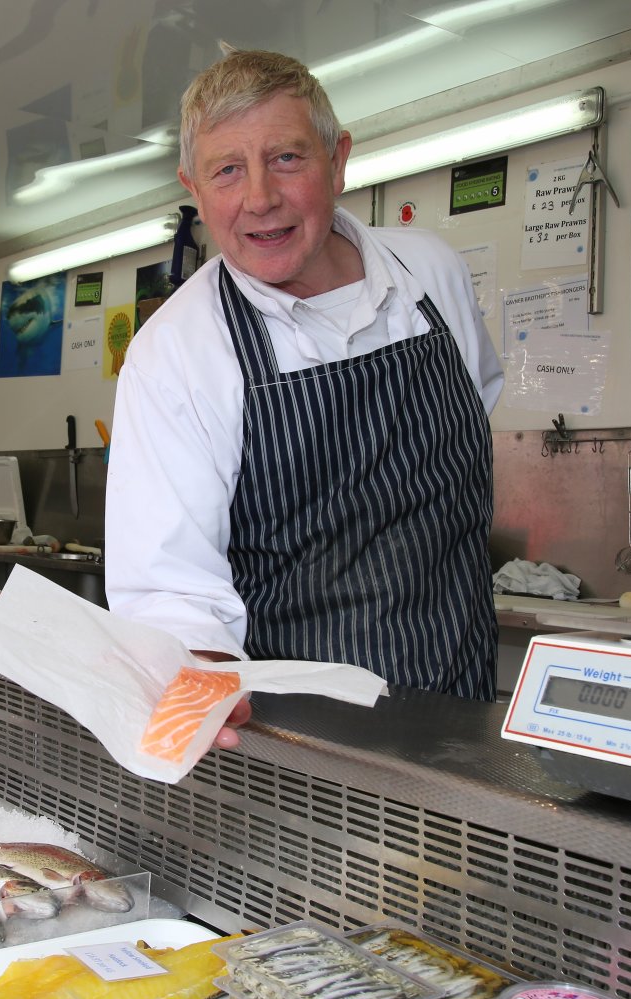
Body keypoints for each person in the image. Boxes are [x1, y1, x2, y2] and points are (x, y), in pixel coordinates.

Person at [105, 48, 504, 746]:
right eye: (227, 170)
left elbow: (474, 416)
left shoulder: (430, 274)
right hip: (297, 744)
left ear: (337, 157)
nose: (259, 198)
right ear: (193, 187)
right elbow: (168, 584)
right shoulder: (179, 351)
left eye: (286, 158)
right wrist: (198, 668)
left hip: (460, 714)